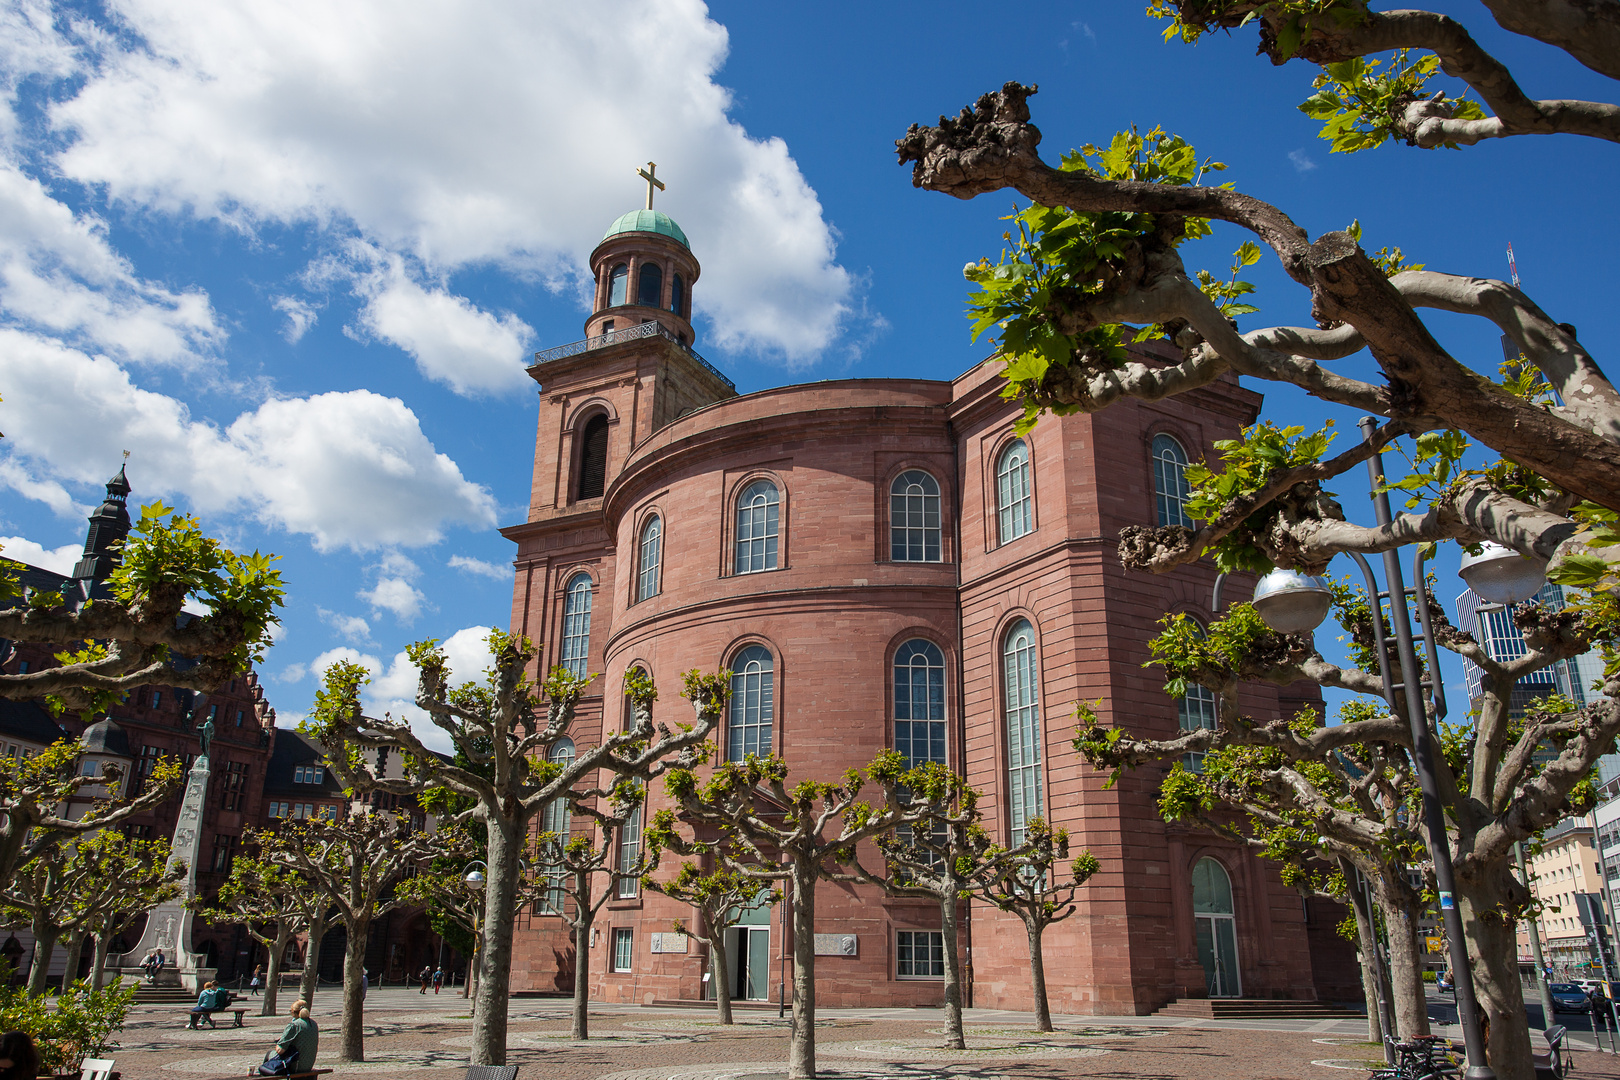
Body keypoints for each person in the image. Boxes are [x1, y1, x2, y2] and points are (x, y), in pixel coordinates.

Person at [265, 999, 318, 1074]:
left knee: (269, 1054)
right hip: (308, 1064)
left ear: (293, 1012)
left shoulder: (294, 1025)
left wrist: (279, 1042)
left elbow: (280, 1050)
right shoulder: (313, 1024)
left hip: (295, 1064)